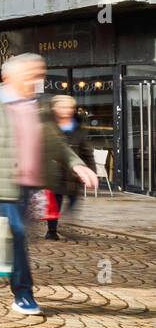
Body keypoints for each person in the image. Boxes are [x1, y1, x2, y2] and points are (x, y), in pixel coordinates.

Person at [0, 54, 99, 315]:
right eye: (31, 73)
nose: (37, 79)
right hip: (1, 184)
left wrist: (76, 164)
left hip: (31, 186)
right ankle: (23, 294)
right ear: (8, 76)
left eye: (39, 74)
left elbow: (55, 142)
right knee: (17, 233)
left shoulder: (39, 106)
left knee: (14, 236)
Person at [45, 94, 95, 241]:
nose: (66, 110)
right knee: (55, 203)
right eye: (63, 107)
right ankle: (52, 230)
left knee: (73, 199)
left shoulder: (78, 129)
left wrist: (91, 172)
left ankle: (66, 221)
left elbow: (87, 152)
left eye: (69, 107)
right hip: (53, 174)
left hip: (73, 174)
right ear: (55, 108)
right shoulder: (48, 126)